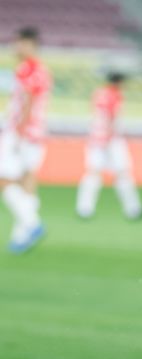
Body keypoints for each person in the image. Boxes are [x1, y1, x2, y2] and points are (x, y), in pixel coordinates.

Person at [0, 27, 51, 253]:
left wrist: (19, 130)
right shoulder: (42, 69)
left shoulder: (27, 68)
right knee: (27, 180)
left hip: (21, 132)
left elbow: (27, 99)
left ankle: (31, 223)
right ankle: (21, 235)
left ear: (30, 44)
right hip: (36, 133)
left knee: (4, 180)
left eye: (19, 43)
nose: (15, 47)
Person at [75, 72, 142, 220]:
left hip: (96, 138)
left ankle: (84, 209)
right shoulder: (115, 95)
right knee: (122, 173)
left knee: (93, 173)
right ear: (119, 82)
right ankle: (133, 209)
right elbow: (112, 117)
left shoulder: (99, 93)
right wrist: (110, 137)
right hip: (111, 139)